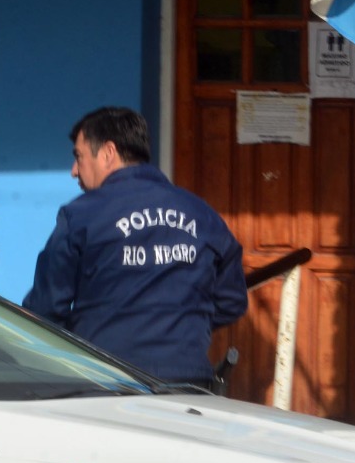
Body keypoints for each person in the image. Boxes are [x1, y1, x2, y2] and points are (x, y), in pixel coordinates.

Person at [23, 106, 247, 386]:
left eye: (78, 157)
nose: (73, 171)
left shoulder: (81, 215)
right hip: (187, 383)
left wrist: (90, 332)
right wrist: (179, 324)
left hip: (103, 380)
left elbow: (46, 308)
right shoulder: (203, 215)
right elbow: (232, 301)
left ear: (107, 153)